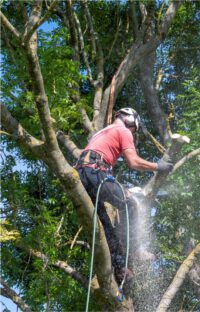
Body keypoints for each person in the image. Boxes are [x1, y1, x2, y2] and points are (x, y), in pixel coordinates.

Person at [76, 107, 173, 282]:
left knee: (104, 225)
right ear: (131, 120)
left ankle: (120, 267)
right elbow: (133, 162)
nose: (133, 134)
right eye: (134, 130)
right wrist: (158, 166)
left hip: (83, 175)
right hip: (96, 172)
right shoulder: (123, 131)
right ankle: (136, 249)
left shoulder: (101, 133)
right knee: (130, 204)